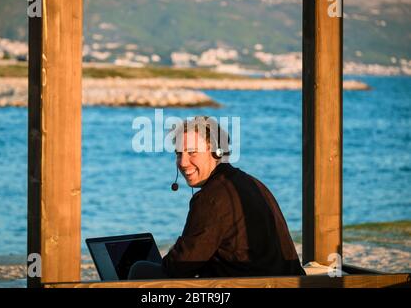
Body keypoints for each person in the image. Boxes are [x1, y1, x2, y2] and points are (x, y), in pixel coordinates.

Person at [128, 116, 305, 279]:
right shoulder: (251, 183)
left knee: (138, 269)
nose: (182, 162)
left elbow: (179, 267)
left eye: (192, 153)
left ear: (216, 152)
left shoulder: (212, 198)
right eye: (178, 153)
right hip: (281, 282)